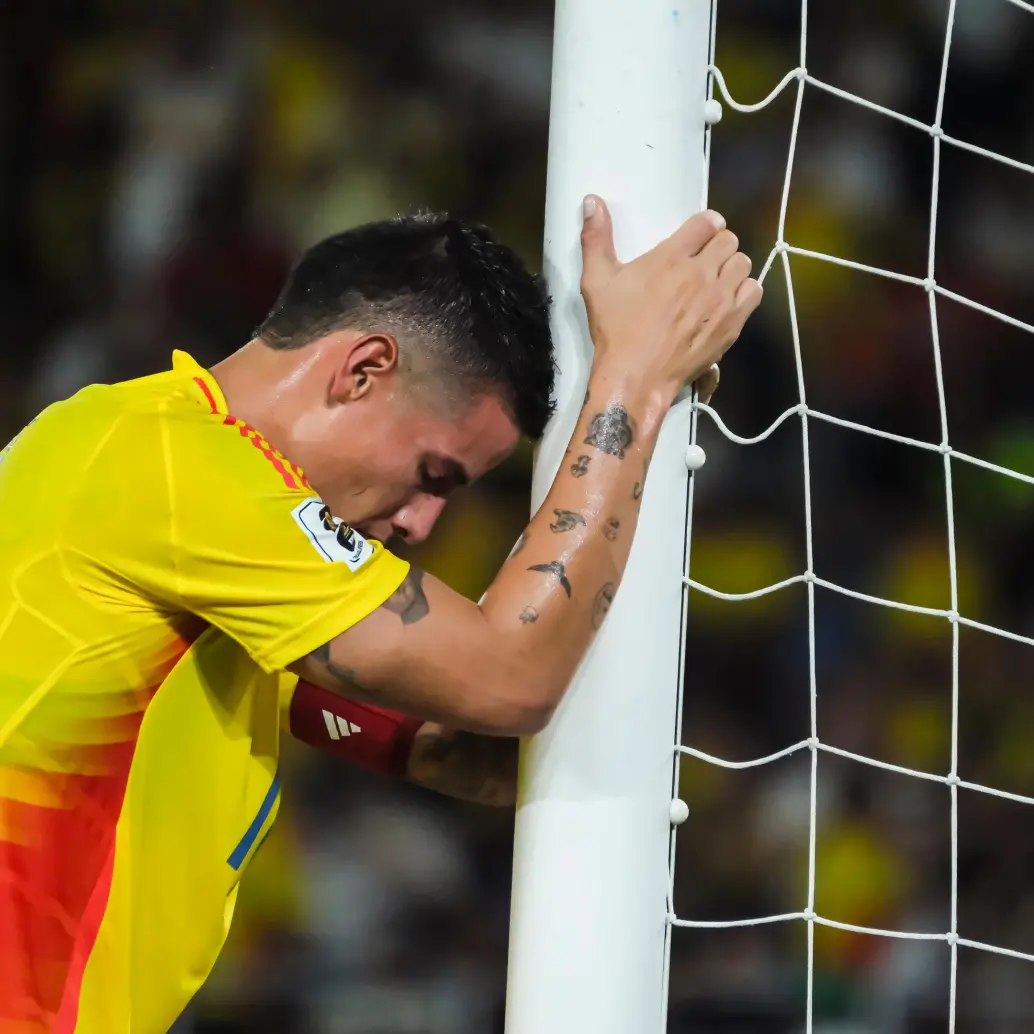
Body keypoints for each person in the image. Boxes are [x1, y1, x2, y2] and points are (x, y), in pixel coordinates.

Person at [0, 196, 760, 1033]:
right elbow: (507, 675)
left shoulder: (174, 518)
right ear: (361, 369)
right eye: (433, 474)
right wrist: (634, 383)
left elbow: (448, 747)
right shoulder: (176, 470)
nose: (420, 526)